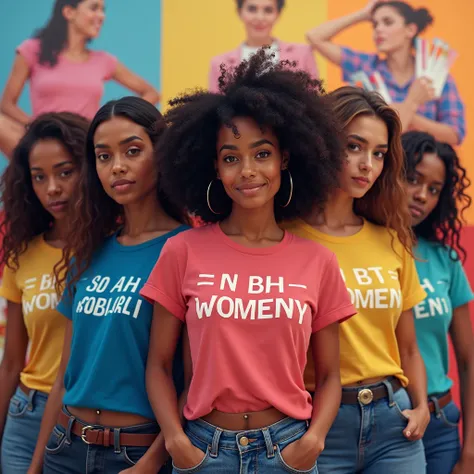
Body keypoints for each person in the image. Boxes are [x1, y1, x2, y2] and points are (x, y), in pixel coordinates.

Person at [141, 49, 356, 473]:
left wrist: (312, 441)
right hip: (204, 451)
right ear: (215, 169)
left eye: (261, 154)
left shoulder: (318, 261)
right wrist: (176, 441)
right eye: (230, 158)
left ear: (285, 160)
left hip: (288, 449)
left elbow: (330, 376)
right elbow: (159, 366)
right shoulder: (183, 251)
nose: (247, 171)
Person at [28, 97, 188, 474]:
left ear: (161, 153)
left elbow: (195, 385)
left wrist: (151, 463)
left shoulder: (187, 250)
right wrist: (36, 465)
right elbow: (65, 376)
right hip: (64, 447)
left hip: (137, 453)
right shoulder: (89, 250)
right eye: (103, 156)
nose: (117, 167)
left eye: (132, 151)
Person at [284, 86, 429, 473]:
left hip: (394, 423)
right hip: (316, 425)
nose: (367, 164)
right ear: (322, 143)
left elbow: (408, 347)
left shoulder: (391, 240)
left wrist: (421, 406)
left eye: (379, 154)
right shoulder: (285, 239)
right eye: (354, 147)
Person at [0, 112, 88, 473]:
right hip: (27, 413)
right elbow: (11, 362)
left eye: (65, 172)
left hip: (89, 420)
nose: (52, 187)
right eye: (39, 177)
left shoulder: (117, 249)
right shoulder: (23, 256)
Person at [0, 0, 160, 159]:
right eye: (94, 8)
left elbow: (151, 93)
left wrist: (115, 122)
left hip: (83, 141)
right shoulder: (32, 50)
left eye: (103, 10)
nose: (101, 16)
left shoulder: (103, 60)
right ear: (69, 12)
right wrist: (36, 126)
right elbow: (6, 104)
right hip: (43, 141)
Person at [402, 131, 474, 474]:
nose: (421, 196)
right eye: (413, 180)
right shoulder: (360, 250)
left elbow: (468, 360)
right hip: (385, 420)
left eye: (434, 189)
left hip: (441, 424)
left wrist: (471, 448)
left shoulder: (445, 260)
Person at [306, 0, 465, 145]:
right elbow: (315, 37)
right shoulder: (365, 66)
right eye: (374, 24)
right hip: (379, 166)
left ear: (410, 30)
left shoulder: (435, 76)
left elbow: (455, 134)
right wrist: (363, 14)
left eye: (387, 22)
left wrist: (403, 115)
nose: (378, 29)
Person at [208, 0, 319, 92]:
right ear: (239, 12)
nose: (260, 17)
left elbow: (314, 102)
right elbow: (215, 112)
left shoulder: (303, 54)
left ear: (278, 14)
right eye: (252, 9)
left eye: (268, 10)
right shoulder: (219, 63)